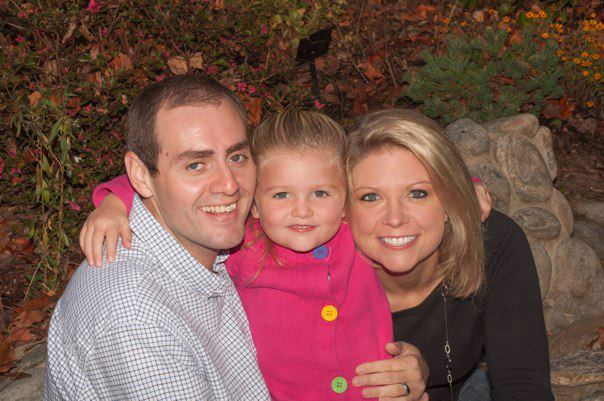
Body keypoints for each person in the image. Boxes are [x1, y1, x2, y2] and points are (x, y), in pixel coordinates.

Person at [82, 109, 429, 400]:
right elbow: (160, 181)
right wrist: (115, 200)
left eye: (320, 193)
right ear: (255, 204)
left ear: (345, 202)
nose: (302, 210)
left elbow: (401, 197)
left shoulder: (357, 236)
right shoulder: (245, 246)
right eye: (281, 195)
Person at [44, 76, 270, 399]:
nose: (230, 184)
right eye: (196, 165)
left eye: (236, 157)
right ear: (140, 176)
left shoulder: (201, 242)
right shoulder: (137, 317)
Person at [346, 109, 554, 401]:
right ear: (344, 211)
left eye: (417, 193)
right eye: (370, 197)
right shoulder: (312, 274)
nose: (395, 218)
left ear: (449, 201)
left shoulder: (491, 243)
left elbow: (523, 383)